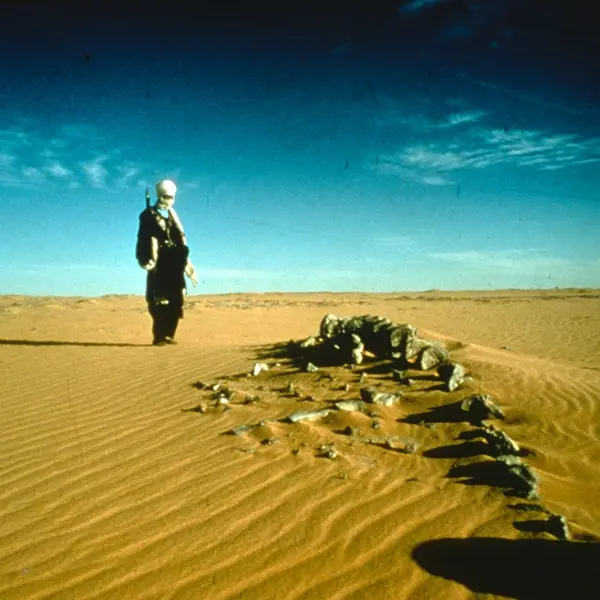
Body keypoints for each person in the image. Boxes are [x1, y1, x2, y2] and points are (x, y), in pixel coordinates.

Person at [136, 179, 198, 346]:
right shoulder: (148, 214)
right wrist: (146, 260)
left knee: (176, 300)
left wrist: (187, 264)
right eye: (166, 197)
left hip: (175, 262)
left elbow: (181, 238)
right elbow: (142, 238)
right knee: (158, 300)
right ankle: (159, 336)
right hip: (159, 262)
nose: (169, 200)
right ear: (159, 196)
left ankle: (169, 334)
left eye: (171, 197)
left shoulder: (173, 215)